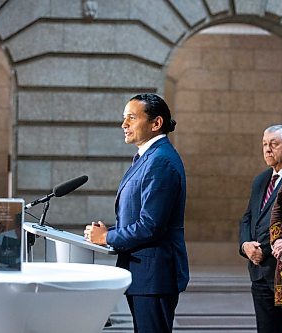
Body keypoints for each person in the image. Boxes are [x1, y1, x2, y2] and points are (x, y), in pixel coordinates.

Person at [85, 93, 189, 333]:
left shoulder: (161, 160)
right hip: (143, 273)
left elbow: (151, 225)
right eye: (124, 118)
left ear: (156, 123)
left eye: (131, 118)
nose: (124, 125)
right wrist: (108, 233)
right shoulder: (148, 157)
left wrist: (107, 237)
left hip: (155, 275)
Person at [239, 124, 282, 333]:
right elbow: (248, 218)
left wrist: (262, 250)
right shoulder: (261, 179)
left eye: (274, 144)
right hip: (259, 273)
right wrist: (245, 245)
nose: (267, 149)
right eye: (264, 144)